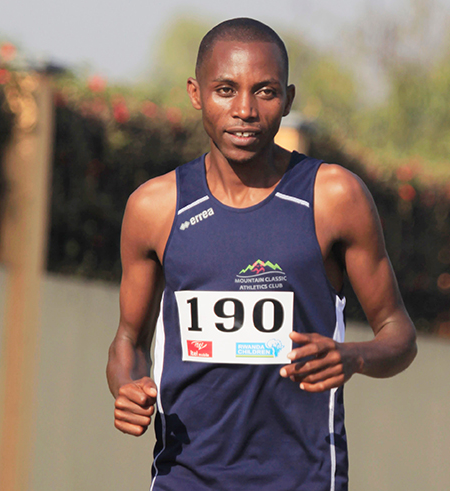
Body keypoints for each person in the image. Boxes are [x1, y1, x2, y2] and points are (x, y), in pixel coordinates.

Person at [107, 17, 417, 490]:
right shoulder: (155, 207)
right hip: (184, 477)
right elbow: (128, 340)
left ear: (288, 100)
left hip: (303, 479)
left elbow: (399, 336)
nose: (245, 110)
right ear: (196, 92)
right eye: (226, 90)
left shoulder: (333, 197)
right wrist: (127, 388)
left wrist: (351, 356)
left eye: (265, 91)